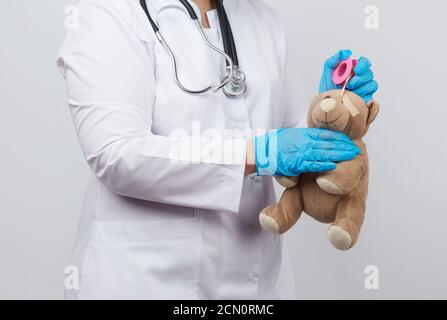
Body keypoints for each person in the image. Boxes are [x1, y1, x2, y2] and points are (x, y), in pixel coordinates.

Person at [57, 0, 378, 300]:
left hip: (256, 281)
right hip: (145, 278)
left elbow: (298, 148)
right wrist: (257, 154)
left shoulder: (263, 22)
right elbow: (116, 153)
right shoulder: (110, 13)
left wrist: (332, 111)